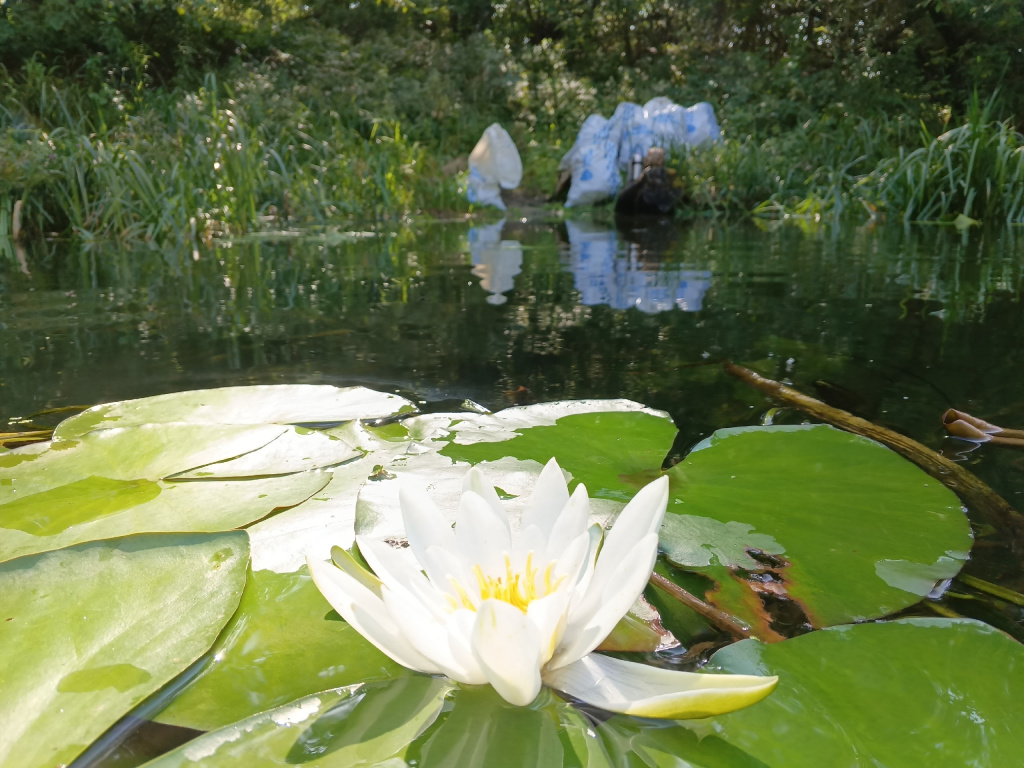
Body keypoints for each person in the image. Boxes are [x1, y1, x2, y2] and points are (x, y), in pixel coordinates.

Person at [614, 147, 684, 216]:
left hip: (644, 211)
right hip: (664, 211)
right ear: (662, 160)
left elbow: (630, 191)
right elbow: (679, 190)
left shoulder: (645, 174)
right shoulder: (670, 173)